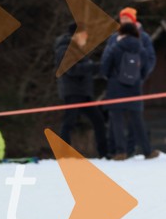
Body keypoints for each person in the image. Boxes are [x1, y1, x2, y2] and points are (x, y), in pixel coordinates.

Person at [100, 22, 160, 160]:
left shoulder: (114, 47)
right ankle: (147, 151)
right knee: (138, 122)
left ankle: (121, 152)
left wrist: (112, 78)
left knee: (117, 122)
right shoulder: (141, 49)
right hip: (135, 89)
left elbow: (104, 68)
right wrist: (137, 80)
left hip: (115, 89)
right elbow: (145, 70)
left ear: (121, 33)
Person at [54, 24, 106, 157]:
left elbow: (85, 70)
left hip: (84, 92)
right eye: (84, 35)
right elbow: (72, 70)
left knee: (98, 120)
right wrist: (93, 67)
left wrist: (99, 70)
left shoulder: (78, 50)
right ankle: (63, 153)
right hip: (72, 91)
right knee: (69, 122)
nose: (86, 38)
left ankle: (104, 152)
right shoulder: (65, 49)